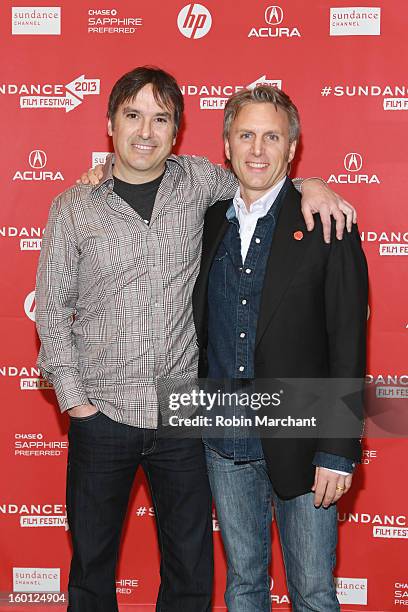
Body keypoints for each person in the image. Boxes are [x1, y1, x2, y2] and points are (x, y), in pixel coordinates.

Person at [35, 66, 356, 612]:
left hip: (184, 418)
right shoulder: (73, 207)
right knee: (92, 572)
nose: (146, 131)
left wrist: (313, 183)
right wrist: (78, 402)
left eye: (161, 119)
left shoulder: (200, 185)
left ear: (178, 130)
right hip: (103, 416)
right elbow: (50, 309)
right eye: (132, 116)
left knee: (191, 578)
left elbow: (264, 178)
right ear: (110, 124)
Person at [192, 85, 368, 611]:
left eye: (272, 136)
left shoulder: (327, 225)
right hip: (224, 441)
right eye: (245, 135)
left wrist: (338, 448)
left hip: (306, 442)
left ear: (292, 148)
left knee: (313, 590)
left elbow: (348, 342)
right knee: (244, 584)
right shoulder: (208, 223)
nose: (257, 150)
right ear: (226, 143)